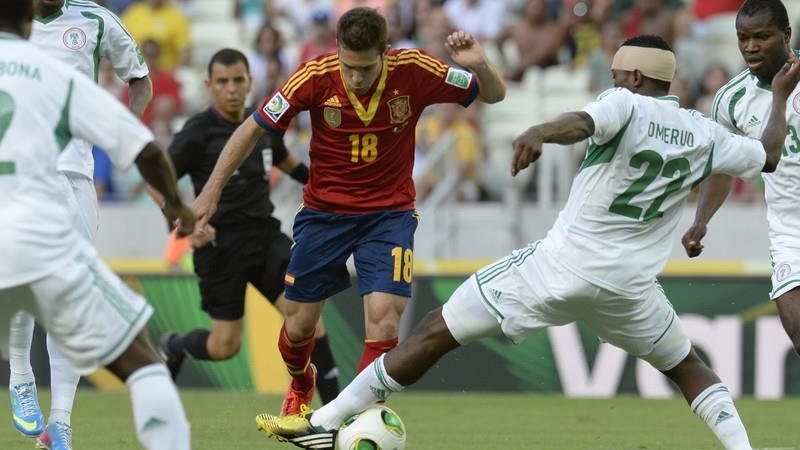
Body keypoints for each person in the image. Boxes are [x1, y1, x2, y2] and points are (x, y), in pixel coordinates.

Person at [255, 34, 800, 450]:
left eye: (615, 73)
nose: (611, 80)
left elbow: (581, 120)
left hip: (556, 269)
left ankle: (323, 423)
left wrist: (537, 131)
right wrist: (778, 98)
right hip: (631, 288)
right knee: (689, 369)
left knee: (435, 331)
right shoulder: (706, 134)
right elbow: (768, 156)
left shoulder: (624, 104)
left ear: (635, 77)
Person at [191, 7, 506, 417]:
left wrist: (480, 65)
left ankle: (352, 417)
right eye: (349, 66)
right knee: (299, 326)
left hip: (389, 215)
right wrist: (211, 192)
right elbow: (251, 128)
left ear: (386, 52)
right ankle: (302, 379)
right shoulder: (314, 75)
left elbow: (494, 94)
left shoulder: (414, 69)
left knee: (384, 322)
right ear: (336, 49)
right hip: (325, 215)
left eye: (366, 68)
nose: (356, 78)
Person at [0, 1, 194, 449]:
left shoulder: (94, 21)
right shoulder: (59, 81)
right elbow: (146, 151)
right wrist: (176, 205)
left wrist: (125, 121)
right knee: (128, 346)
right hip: (25, 185)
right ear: (26, 19)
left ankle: (60, 424)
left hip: (73, 176)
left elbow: (138, 79)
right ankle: (21, 375)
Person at [157, 48, 341, 405]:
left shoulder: (263, 124)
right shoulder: (197, 132)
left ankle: (337, 412)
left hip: (265, 237)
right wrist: (182, 220)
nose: (231, 89)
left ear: (249, 82)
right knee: (224, 346)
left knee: (306, 318)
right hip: (219, 246)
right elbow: (158, 177)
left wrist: (329, 184)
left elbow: (287, 163)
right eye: (222, 82)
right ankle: (174, 346)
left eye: (238, 80)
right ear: (209, 85)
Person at [684, 0, 800, 361]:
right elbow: (722, 166)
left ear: (786, 35)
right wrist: (701, 220)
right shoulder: (730, 100)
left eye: (762, 37)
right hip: (789, 229)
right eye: (743, 38)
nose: (750, 47)